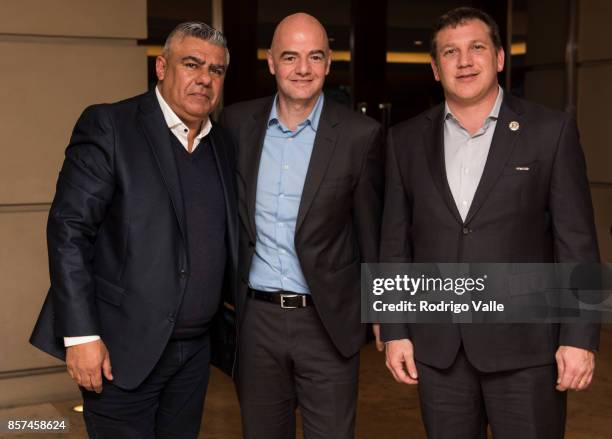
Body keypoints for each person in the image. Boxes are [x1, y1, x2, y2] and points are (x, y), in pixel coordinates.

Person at [380, 7, 600, 439]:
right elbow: (394, 243)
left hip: (528, 352)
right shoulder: (404, 141)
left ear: (499, 58)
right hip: (439, 352)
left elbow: (577, 242)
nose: (464, 61)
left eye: (476, 47)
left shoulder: (550, 132)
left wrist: (580, 337)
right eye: (450, 51)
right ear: (435, 68)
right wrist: (394, 330)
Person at [30, 22, 237, 439]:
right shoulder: (112, 126)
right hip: (120, 352)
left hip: (194, 354)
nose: (204, 79)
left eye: (215, 70)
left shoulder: (223, 144)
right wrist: (81, 336)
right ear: (161, 67)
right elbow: (69, 230)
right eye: (191, 64)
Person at [218, 12, 383, 439]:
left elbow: (372, 233)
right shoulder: (236, 125)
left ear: (329, 63)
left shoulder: (359, 135)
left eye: (314, 57)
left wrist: (388, 314)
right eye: (290, 57)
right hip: (257, 321)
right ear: (271, 62)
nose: (302, 69)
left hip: (327, 321)